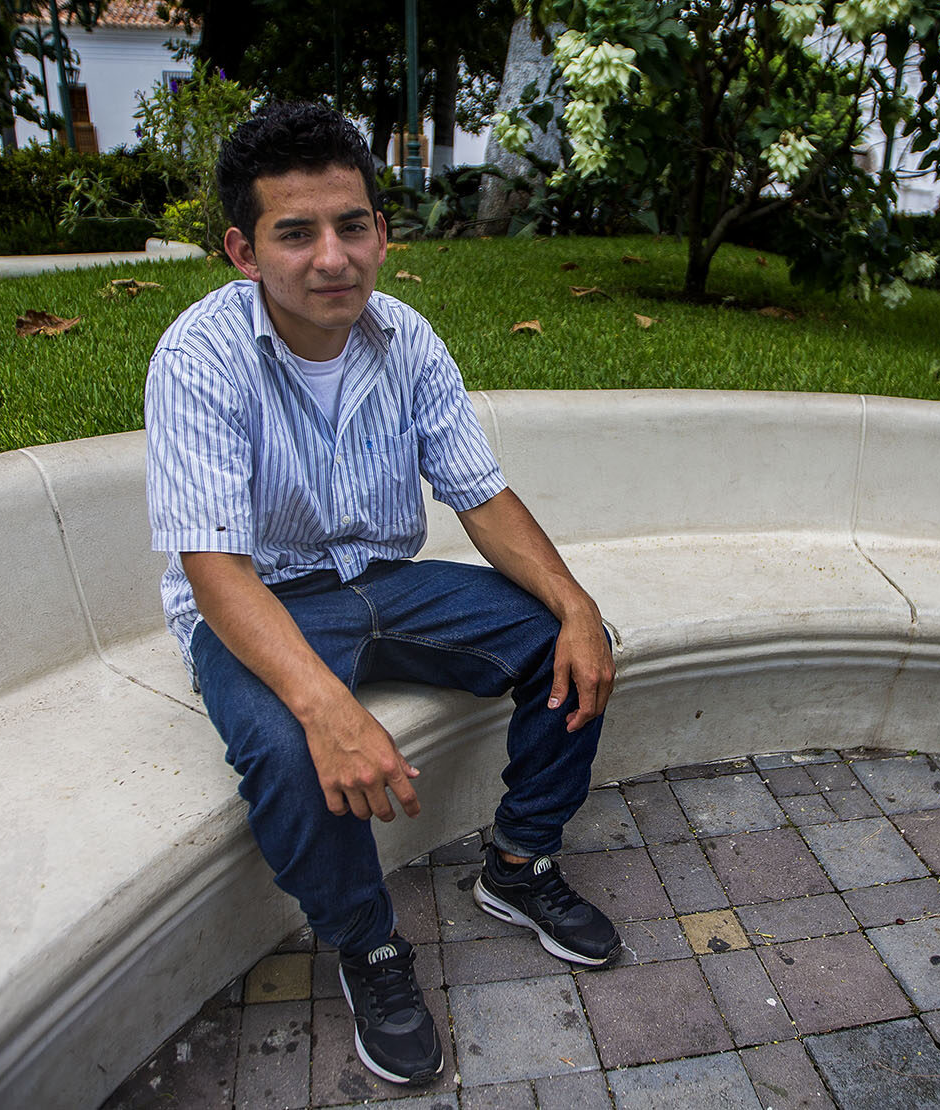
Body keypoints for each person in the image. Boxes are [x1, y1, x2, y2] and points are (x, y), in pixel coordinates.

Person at [144, 101, 621, 1087]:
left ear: (381, 231)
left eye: (352, 225)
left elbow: (479, 497)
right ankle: (368, 944)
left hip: (388, 584)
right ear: (244, 250)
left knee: (570, 641)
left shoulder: (404, 339)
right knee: (288, 747)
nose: (334, 257)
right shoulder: (199, 358)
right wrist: (327, 709)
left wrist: (575, 604)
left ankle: (521, 863)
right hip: (265, 599)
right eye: (297, 233)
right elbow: (214, 567)